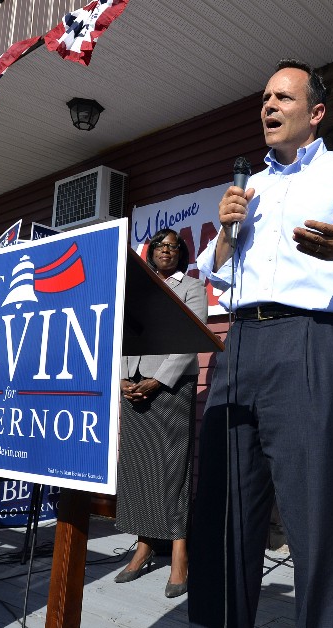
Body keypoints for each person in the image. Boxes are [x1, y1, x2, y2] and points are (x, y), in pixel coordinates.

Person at [187, 59, 333, 628]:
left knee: (313, 514)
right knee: (225, 507)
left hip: (312, 343)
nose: (268, 106)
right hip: (240, 346)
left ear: (314, 113)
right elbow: (211, 274)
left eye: (283, 98)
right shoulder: (251, 188)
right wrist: (224, 234)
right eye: (265, 97)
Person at [114, 228, 208, 598]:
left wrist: (159, 379)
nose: (166, 251)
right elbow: (122, 333)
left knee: (172, 469)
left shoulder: (192, 287)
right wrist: (121, 377)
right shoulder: (137, 287)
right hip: (132, 387)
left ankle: (180, 553)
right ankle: (144, 546)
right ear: (150, 252)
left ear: (181, 254)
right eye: (160, 246)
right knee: (139, 467)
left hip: (169, 388)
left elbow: (193, 337)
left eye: (173, 246)